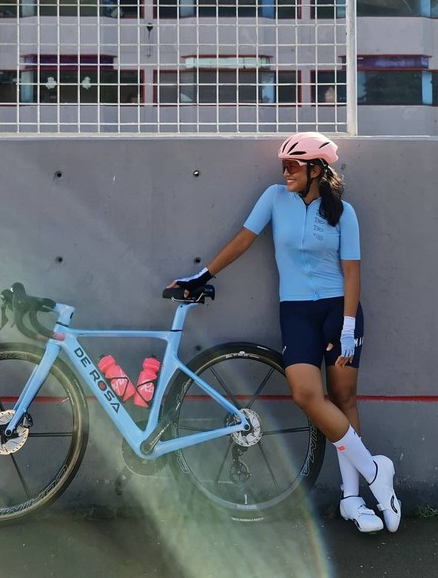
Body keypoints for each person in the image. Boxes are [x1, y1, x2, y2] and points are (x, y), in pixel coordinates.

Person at [169, 132, 400, 534]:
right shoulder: (274, 198)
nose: (285, 171)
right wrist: (203, 274)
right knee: (306, 394)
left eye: (293, 165)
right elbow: (244, 239)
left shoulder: (344, 212)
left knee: (344, 397)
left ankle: (352, 499)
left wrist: (347, 327)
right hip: (296, 311)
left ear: (316, 170)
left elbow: (351, 272)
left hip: (338, 310)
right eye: (283, 165)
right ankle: (376, 471)